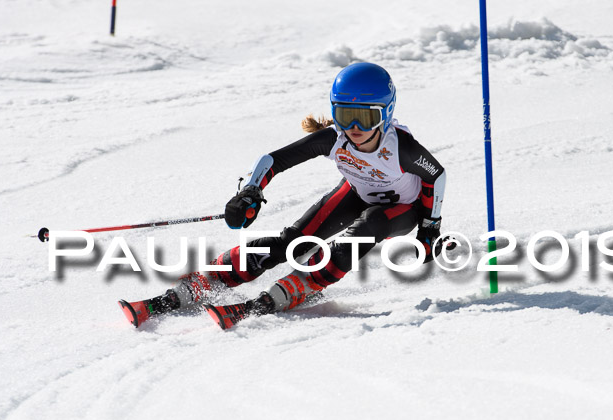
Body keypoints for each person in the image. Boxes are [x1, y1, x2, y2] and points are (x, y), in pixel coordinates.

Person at [119, 62, 446, 329]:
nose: (355, 127)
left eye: (367, 117)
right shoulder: (334, 139)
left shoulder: (400, 148)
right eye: (346, 116)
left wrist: (430, 227)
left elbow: (435, 174)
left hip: (402, 208)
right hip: (357, 193)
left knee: (368, 225)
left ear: (386, 114)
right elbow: (272, 160)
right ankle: (200, 284)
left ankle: (302, 284)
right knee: (291, 242)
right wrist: (250, 191)